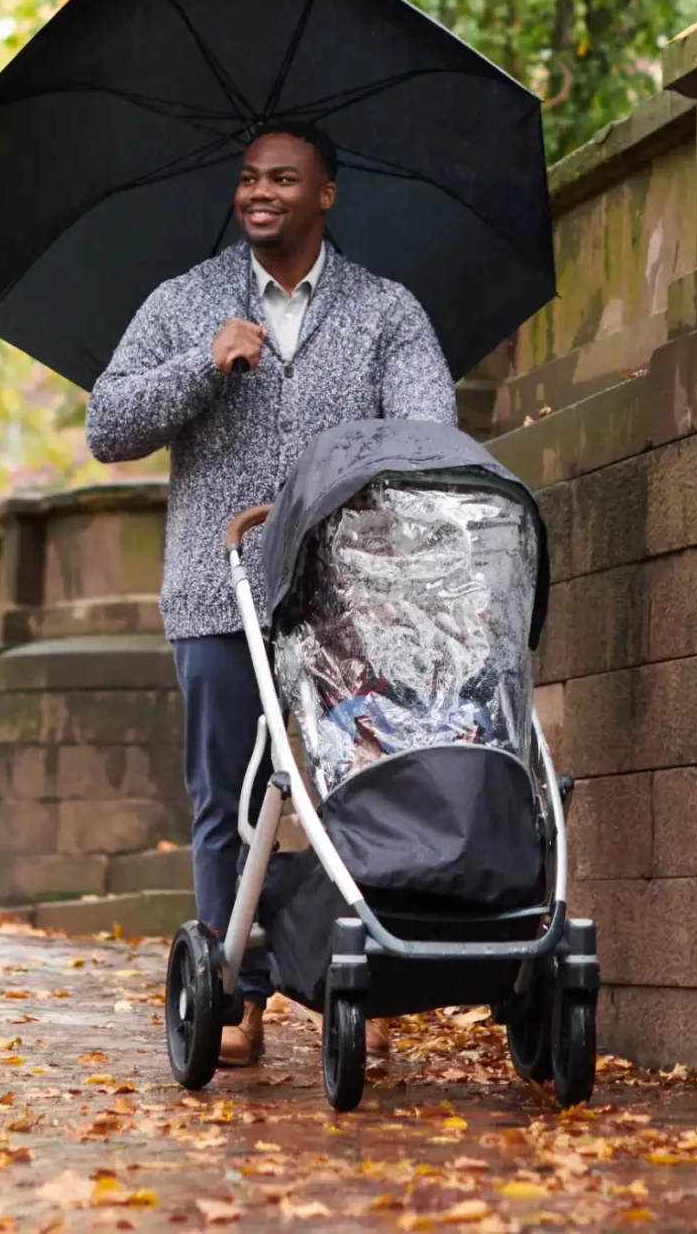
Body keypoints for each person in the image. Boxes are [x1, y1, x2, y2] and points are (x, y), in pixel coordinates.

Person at [85, 119, 456, 1067]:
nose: (260, 193)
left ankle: (358, 977)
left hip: (353, 595)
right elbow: (107, 425)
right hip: (223, 593)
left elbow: (429, 430)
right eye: (249, 178)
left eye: (283, 179)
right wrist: (205, 364)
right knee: (232, 799)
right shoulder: (184, 302)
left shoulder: (385, 310)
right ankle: (237, 992)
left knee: (366, 784)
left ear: (324, 194)